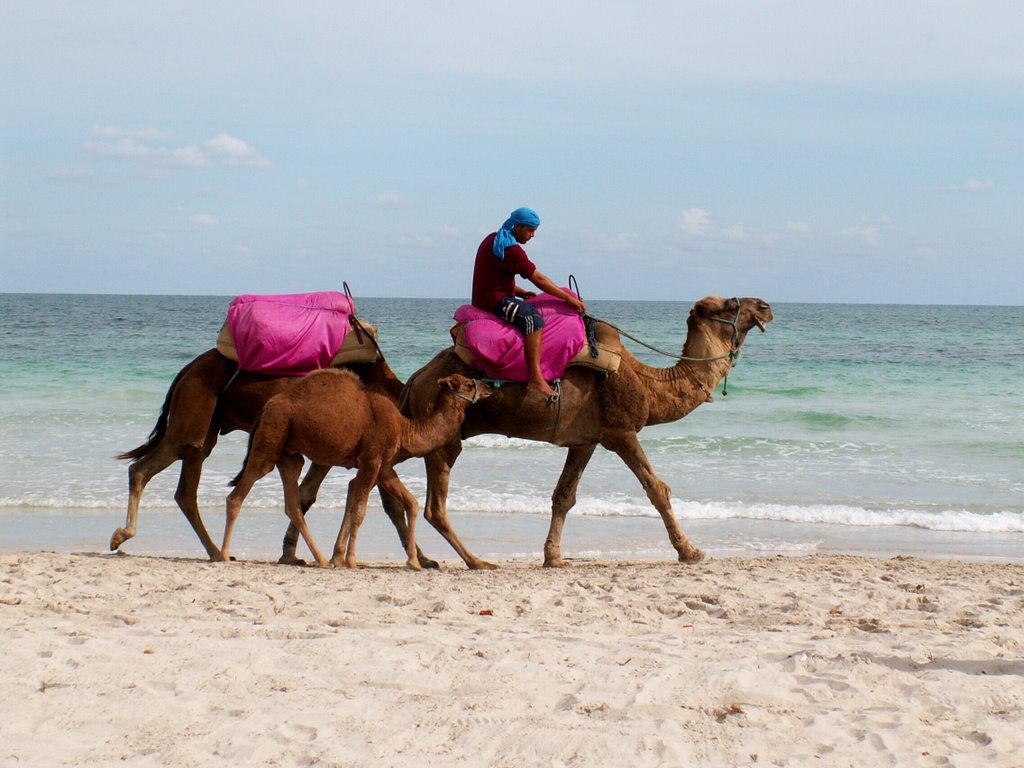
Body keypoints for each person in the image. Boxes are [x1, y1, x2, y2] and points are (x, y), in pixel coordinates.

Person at [471, 207, 587, 399]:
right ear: (517, 226)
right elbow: (539, 279)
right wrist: (567, 298)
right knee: (533, 319)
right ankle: (536, 378)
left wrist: (520, 292)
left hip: (491, 294)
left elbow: (493, 277)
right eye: (530, 230)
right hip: (491, 301)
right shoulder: (510, 249)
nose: (533, 235)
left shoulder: (495, 239)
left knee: (533, 304)